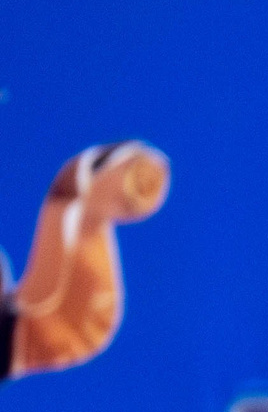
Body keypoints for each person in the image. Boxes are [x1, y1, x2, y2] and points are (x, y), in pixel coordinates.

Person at [5, 141, 170, 380]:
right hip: (35, 339)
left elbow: (36, 296)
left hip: (25, 336)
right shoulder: (80, 214)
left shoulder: (72, 209)